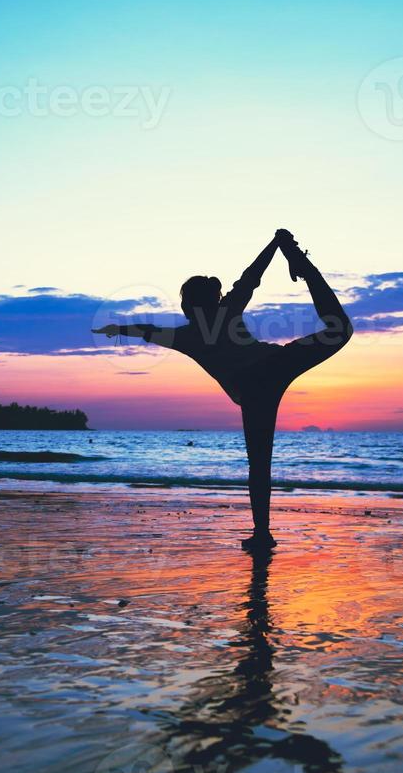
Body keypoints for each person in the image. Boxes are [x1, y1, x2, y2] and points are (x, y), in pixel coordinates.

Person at [93, 229, 352, 551]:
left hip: (256, 384)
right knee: (340, 329)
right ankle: (302, 263)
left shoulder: (185, 336)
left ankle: (262, 533)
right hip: (275, 365)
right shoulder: (220, 313)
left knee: (259, 463)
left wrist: (116, 329)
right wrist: (277, 244)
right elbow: (251, 277)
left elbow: (147, 330)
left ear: (188, 303)